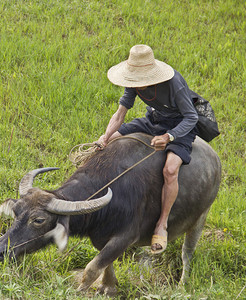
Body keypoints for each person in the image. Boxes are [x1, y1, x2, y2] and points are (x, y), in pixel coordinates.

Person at [96, 44, 198, 254]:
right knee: (113, 139)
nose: (138, 85)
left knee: (170, 169)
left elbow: (191, 117)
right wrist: (105, 138)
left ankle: (162, 223)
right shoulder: (132, 83)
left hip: (179, 126)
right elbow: (120, 114)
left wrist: (169, 137)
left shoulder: (173, 84)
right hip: (153, 119)